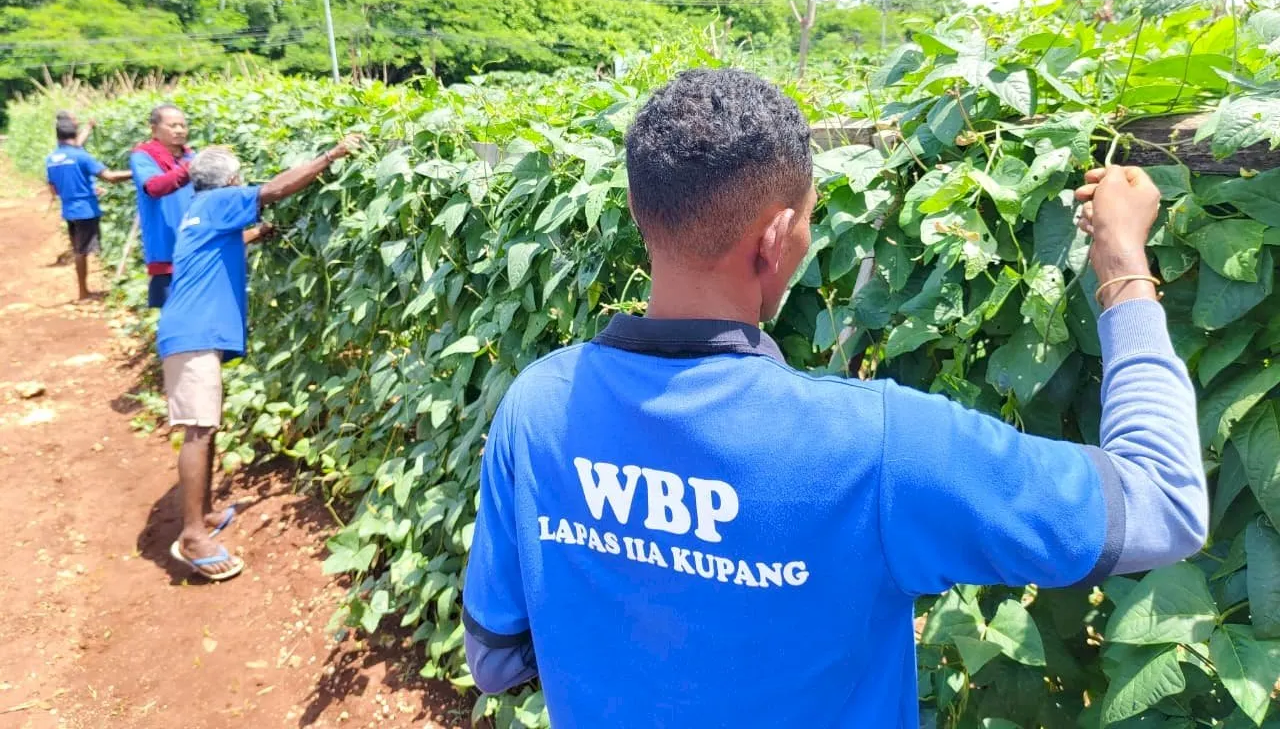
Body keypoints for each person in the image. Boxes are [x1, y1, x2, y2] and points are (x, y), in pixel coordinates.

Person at [461, 68, 1209, 726]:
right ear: (777, 237)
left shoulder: (538, 405)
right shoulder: (874, 447)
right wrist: (1121, 263)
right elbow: (1163, 503)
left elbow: (495, 659)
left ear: (635, 206)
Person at [159, 135, 359, 582]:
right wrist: (331, 155)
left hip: (187, 329)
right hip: (193, 334)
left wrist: (256, 234)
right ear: (230, 181)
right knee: (199, 429)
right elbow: (274, 190)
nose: (243, 182)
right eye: (240, 177)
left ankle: (203, 514)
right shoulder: (219, 201)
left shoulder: (199, 211)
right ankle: (192, 536)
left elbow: (216, 249)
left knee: (205, 426)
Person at [45, 111, 133, 300]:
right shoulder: (81, 156)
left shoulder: (51, 159)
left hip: (69, 210)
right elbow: (110, 177)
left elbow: (54, 190)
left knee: (79, 248)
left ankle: (84, 291)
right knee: (81, 251)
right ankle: (83, 293)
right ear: (75, 135)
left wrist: (79, 190)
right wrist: (137, 171)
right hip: (86, 210)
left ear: (58, 136)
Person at [129, 104, 196, 308]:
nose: (179, 130)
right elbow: (154, 187)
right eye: (172, 125)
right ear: (154, 129)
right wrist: (187, 171)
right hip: (165, 246)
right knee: (173, 313)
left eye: (183, 125)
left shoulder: (190, 156)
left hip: (194, 244)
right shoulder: (143, 156)